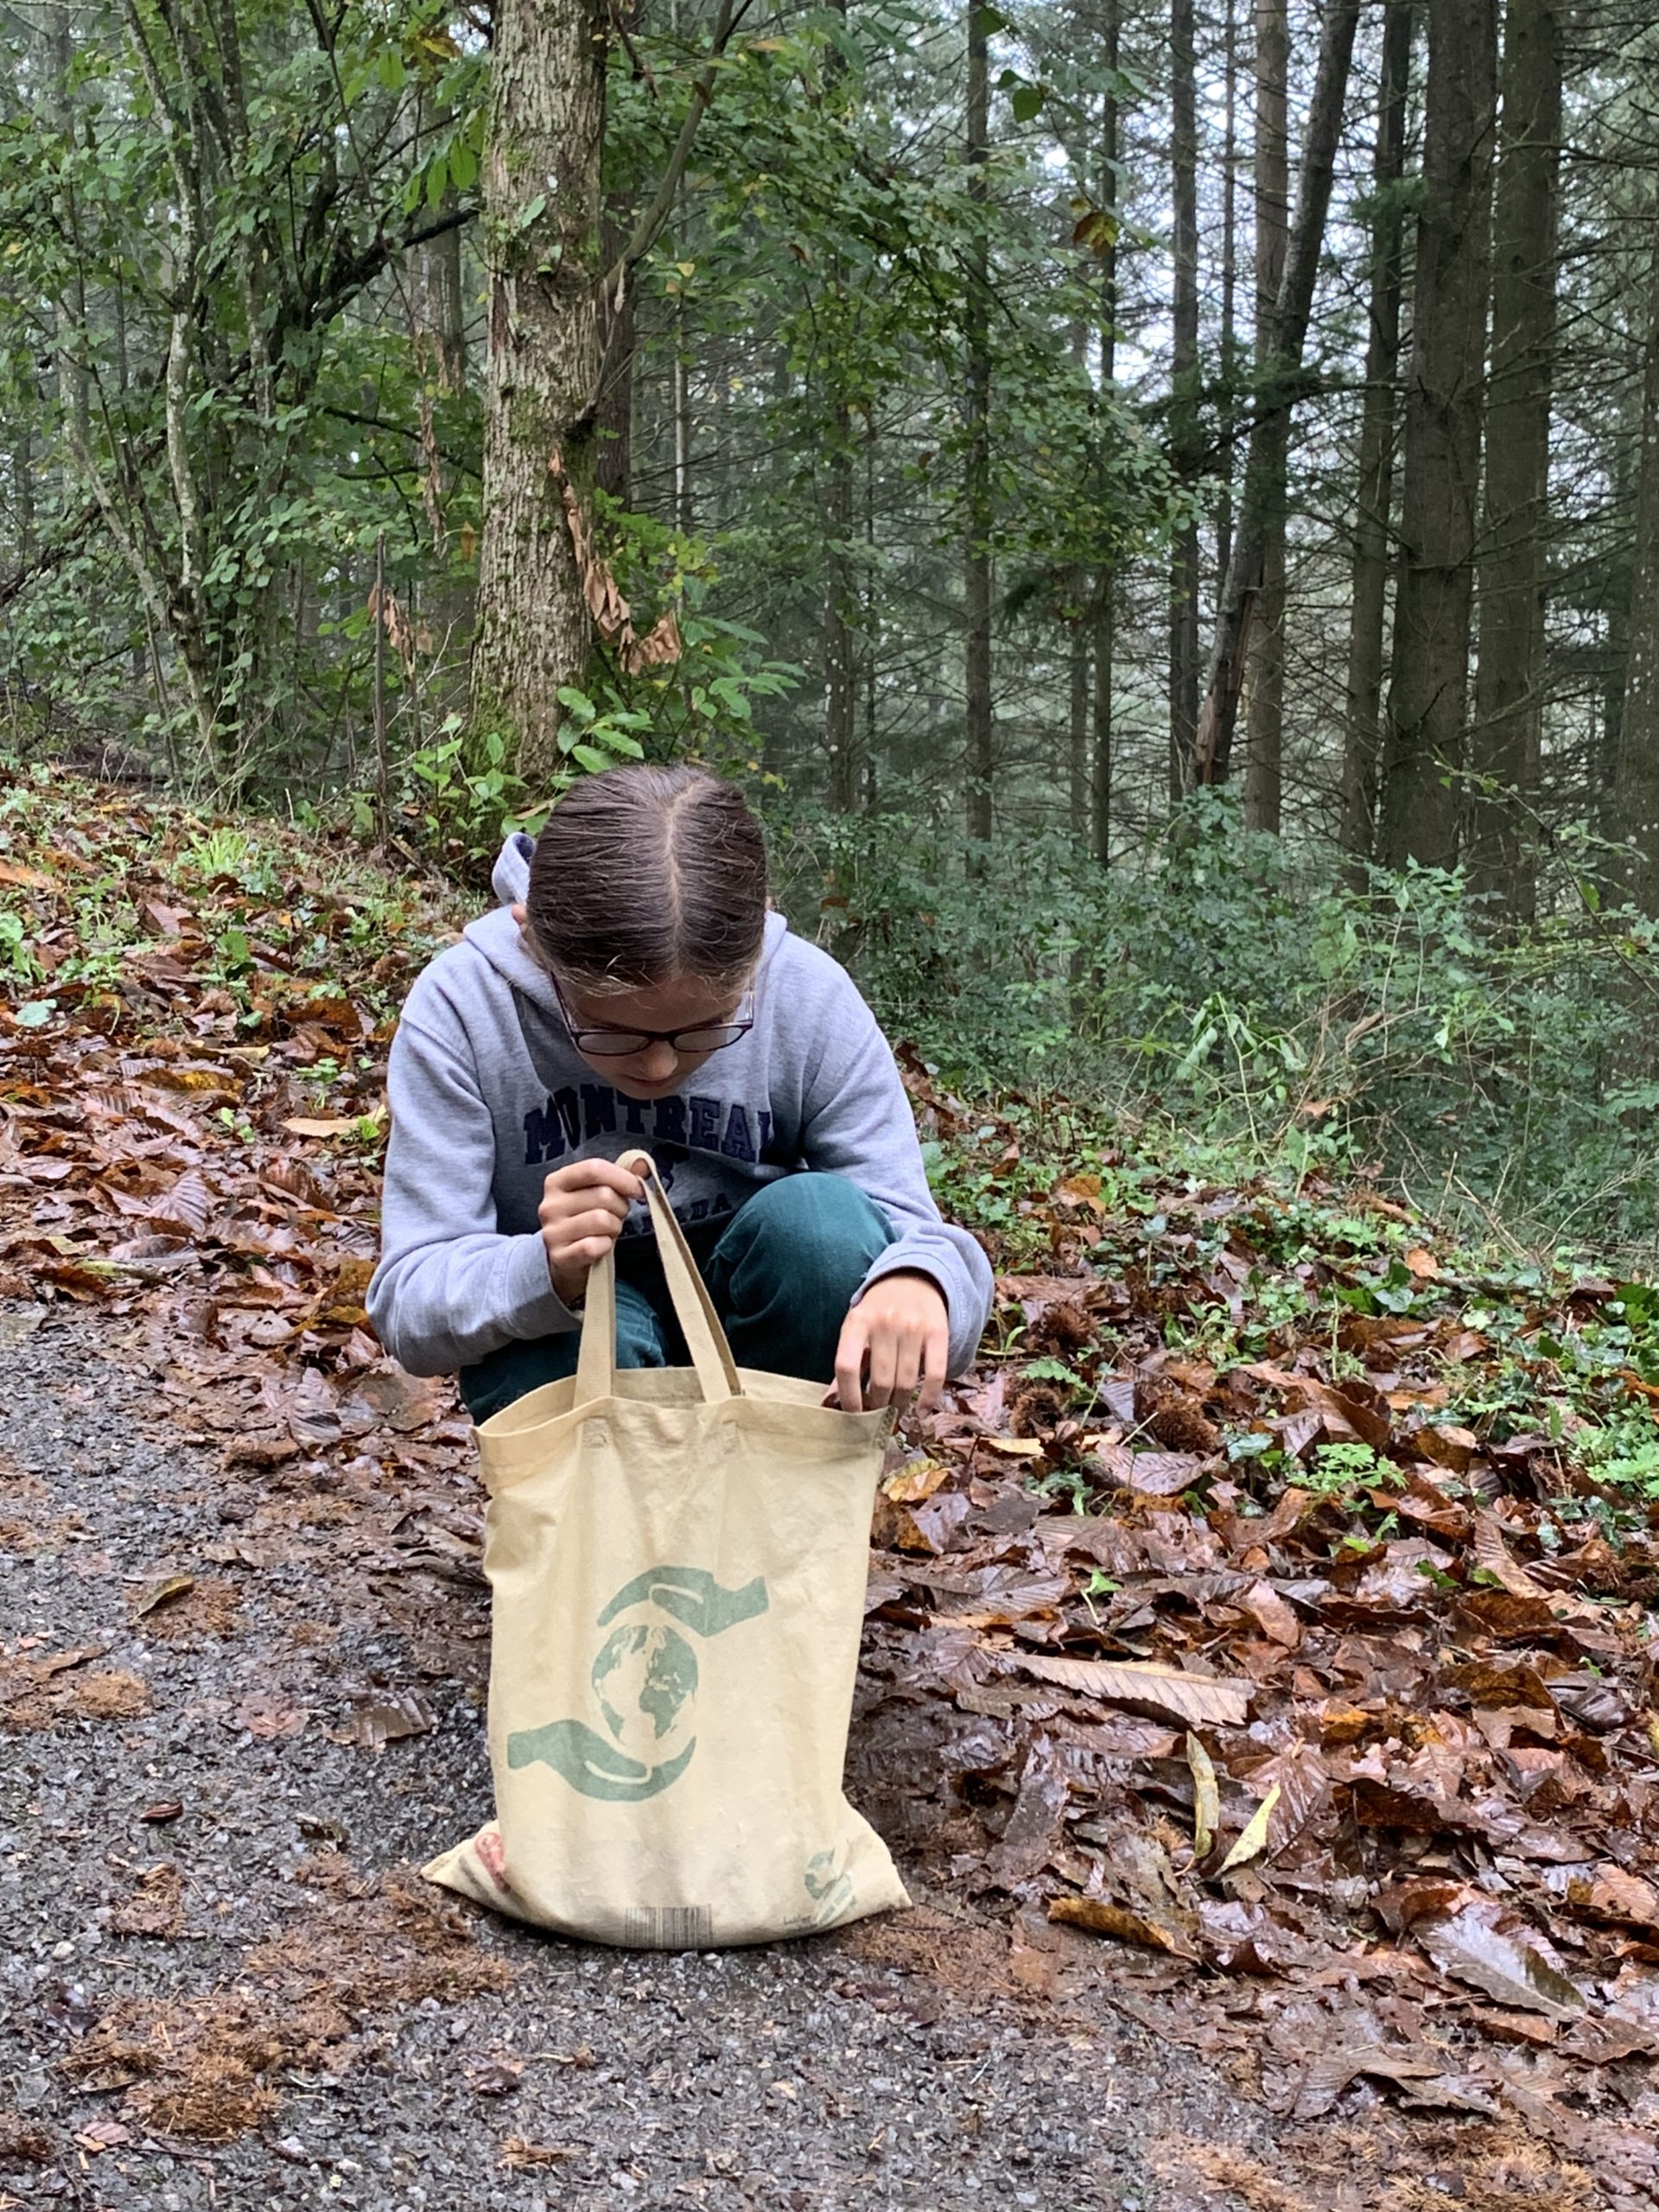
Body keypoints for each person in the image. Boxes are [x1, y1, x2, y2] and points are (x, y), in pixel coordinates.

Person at [368, 764, 993, 1422]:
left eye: (706, 1027)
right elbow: (408, 1303)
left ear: (755, 950)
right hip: (578, 1336)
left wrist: (915, 1281)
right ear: (531, 939)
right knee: (568, 1344)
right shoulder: (464, 1007)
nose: (660, 1064)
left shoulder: (807, 996)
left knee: (822, 1230)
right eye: (612, 1031)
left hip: (763, 1325)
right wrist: (541, 1271)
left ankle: (787, 1477)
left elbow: (917, 1233)